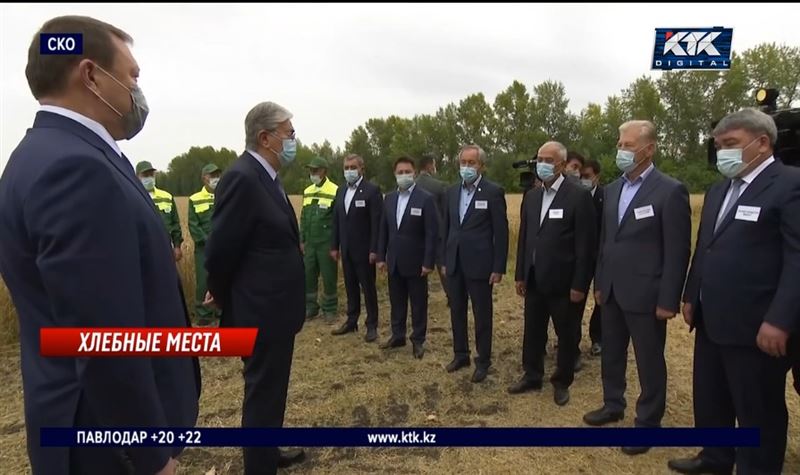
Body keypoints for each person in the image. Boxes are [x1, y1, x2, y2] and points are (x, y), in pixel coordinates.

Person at [0, 15, 199, 475]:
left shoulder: (35, 156)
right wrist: (150, 457)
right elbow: (105, 340)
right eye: (131, 76)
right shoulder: (76, 170)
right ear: (91, 75)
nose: (136, 91)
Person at [668, 109, 800, 474]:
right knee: (712, 397)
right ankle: (715, 457)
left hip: (758, 325)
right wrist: (692, 295)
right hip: (712, 318)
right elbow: (706, 246)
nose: (722, 153)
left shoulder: (790, 185)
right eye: (718, 145)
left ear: (762, 143)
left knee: (757, 407)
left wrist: (780, 320)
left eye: (731, 144)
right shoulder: (718, 189)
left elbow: (797, 258)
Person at [204, 101, 305, 474]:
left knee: (272, 391)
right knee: (262, 392)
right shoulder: (242, 178)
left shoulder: (268, 178)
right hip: (260, 311)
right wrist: (219, 290)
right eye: (289, 134)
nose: (294, 141)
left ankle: (267, 450)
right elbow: (220, 248)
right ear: (265, 138)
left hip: (275, 310)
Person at [583, 120, 691, 457]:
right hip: (612, 290)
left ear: (649, 149)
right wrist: (600, 283)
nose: (621, 150)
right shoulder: (612, 190)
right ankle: (612, 403)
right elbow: (605, 243)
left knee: (649, 360)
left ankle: (648, 422)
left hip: (647, 295)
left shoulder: (670, 191)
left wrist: (668, 298)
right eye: (620, 143)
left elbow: (677, 251)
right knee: (612, 352)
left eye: (629, 145)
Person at [509, 142, 596, 406]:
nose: (541, 164)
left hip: (564, 282)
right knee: (533, 330)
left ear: (560, 164)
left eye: (548, 160)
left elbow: (586, 246)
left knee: (566, 333)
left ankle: (562, 381)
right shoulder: (532, 197)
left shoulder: (578, 196)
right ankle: (532, 374)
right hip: (535, 278)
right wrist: (521, 274)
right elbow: (525, 238)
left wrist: (580, 283)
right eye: (539, 159)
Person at [442, 144, 509, 383]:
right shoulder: (450, 192)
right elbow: (447, 228)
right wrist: (444, 260)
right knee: (457, 310)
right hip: (455, 263)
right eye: (463, 163)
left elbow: (501, 232)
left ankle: (483, 361)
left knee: (482, 314)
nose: (467, 167)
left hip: (481, 264)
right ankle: (461, 354)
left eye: (472, 163)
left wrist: (498, 267)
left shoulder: (492, 192)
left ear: (481, 165)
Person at [376, 156, 439, 359]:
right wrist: (381, 257)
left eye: (407, 172)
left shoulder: (425, 198)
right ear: (395, 174)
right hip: (394, 260)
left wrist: (429, 261)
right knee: (397, 300)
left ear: (414, 173)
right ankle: (398, 335)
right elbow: (383, 230)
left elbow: (432, 233)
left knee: (419, 303)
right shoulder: (390, 198)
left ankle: (418, 340)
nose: (404, 175)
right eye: (400, 172)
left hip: (417, 262)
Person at [330, 154, 383, 342]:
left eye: (353, 167)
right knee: (351, 287)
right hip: (347, 250)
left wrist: (375, 249)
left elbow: (377, 223)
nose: (349, 171)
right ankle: (351, 321)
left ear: (362, 169)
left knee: (368, 288)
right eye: (346, 168)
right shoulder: (341, 190)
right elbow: (337, 220)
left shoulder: (372, 191)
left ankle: (372, 325)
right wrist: (334, 246)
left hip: (365, 251)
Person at [301, 156, 339, 321]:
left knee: (329, 276)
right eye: (310, 170)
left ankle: (329, 308)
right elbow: (303, 217)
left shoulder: (334, 190)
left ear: (324, 171)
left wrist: (336, 245)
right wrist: (302, 240)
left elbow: (338, 221)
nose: (312, 173)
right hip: (310, 243)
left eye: (315, 170)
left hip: (326, 243)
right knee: (308, 276)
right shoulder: (308, 191)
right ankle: (311, 307)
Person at [414, 154, 450, 306]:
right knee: (443, 266)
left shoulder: (412, 185)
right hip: (438, 234)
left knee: (418, 266)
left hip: (417, 233)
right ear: (429, 166)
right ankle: (452, 296)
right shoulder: (439, 185)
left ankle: (419, 297)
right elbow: (446, 211)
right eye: (434, 165)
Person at [188, 163, 221, 326]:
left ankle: (221, 311)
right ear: (204, 178)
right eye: (211, 175)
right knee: (203, 281)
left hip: (223, 248)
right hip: (203, 249)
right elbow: (193, 225)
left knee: (222, 277)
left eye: (217, 175)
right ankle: (204, 315)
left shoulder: (225, 195)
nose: (215, 178)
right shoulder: (195, 199)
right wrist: (208, 241)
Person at [580, 158, 605, 356]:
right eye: (580, 176)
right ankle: (571, 338)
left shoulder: (607, 196)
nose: (583, 180)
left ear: (596, 176)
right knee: (576, 298)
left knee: (601, 300)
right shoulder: (574, 196)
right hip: (580, 256)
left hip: (601, 257)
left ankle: (598, 338)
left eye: (586, 177)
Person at [136, 160, 183, 261]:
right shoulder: (133, 197)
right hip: (143, 250)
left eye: (151, 174)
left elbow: (175, 224)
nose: (149, 178)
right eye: (145, 175)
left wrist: (177, 246)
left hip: (166, 247)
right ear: (137, 177)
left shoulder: (167, 197)